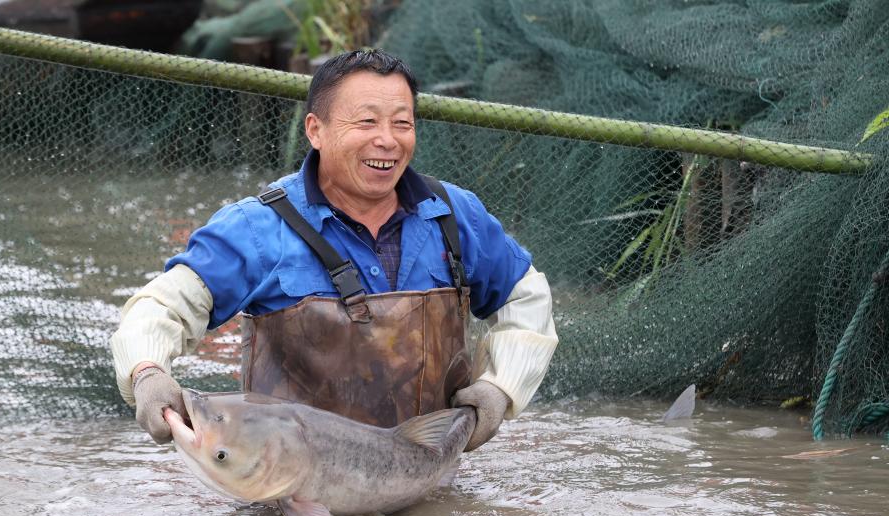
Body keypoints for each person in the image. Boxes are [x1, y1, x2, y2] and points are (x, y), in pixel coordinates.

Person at [111, 49, 558, 451]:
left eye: (402, 123)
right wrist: (147, 373)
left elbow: (525, 295)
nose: (387, 140)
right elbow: (163, 306)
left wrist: (500, 388)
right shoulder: (257, 227)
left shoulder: (454, 215)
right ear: (316, 130)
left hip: (427, 479)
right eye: (366, 122)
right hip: (287, 492)